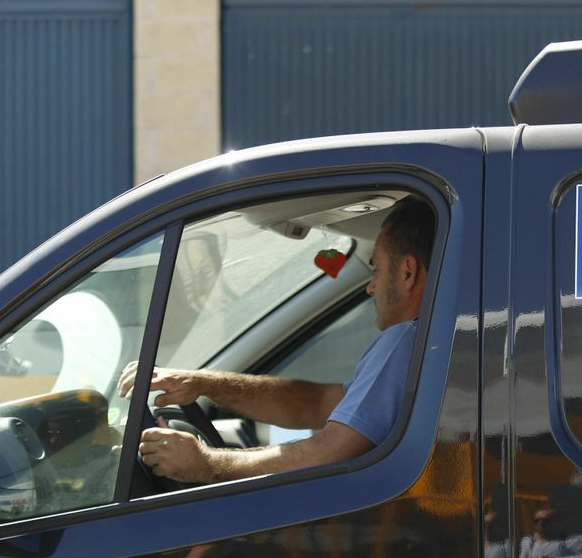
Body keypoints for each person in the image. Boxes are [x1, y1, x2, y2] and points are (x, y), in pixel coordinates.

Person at [127, 199, 434, 484]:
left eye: (376, 270)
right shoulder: (421, 345)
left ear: (407, 273)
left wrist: (206, 463)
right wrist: (205, 383)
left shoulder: (405, 340)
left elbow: (329, 452)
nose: (370, 287)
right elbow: (317, 404)